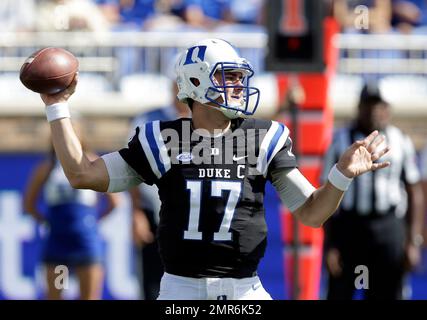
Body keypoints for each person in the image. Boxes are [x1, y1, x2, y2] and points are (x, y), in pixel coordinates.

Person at [35, 38, 390, 300]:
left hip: (244, 292)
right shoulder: (163, 139)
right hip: (181, 293)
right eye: (229, 77)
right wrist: (57, 107)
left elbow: (312, 213)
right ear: (195, 82)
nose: (239, 86)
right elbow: (82, 173)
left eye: (238, 77)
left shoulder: (262, 137)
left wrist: (340, 176)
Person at [321, 82, 424, 300]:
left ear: (388, 109)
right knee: (339, 292)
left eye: (379, 105)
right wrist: (330, 244)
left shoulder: (400, 141)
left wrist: (413, 240)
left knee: (389, 293)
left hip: (388, 228)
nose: (374, 111)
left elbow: (414, 191)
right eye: (369, 105)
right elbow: (326, 193)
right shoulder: (340, 141)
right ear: (359, 108)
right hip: (349, 228)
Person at [23, 123, 120, 300]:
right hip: (59, 245)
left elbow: (115, 201)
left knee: (89, 296)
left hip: (86, 244)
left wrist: (92, 222)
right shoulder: (47, 167)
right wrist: (48, 222)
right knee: (56, 295)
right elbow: (29, 204)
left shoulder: (92, 162)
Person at [129, 79, 189, 300]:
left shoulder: (208, 120)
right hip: (154, 213)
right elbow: (132, 168)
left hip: (196, 217)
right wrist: (136, 212)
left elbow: (248, 144)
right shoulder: (147, 121)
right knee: (154, 287)